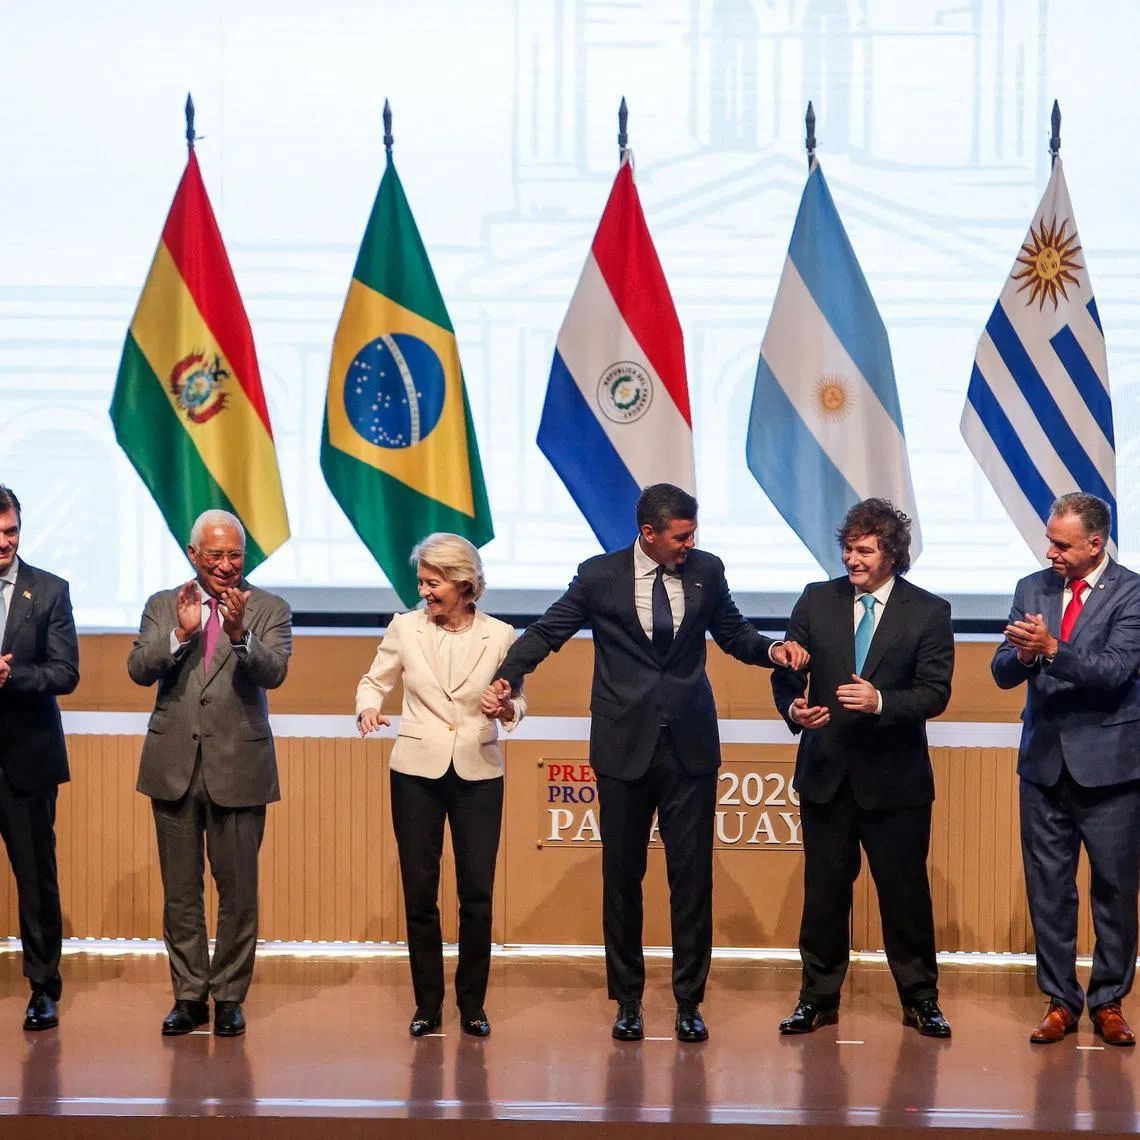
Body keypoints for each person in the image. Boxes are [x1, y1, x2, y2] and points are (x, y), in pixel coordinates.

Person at [484, 483, 808, 1043]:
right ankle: (628, 1000)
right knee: (622, 878)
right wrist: (508, 676)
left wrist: (772, 651)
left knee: (691, 879)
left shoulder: (707, 570)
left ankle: (689, 1001)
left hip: (690, 748)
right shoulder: (599, 576)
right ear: (649, 534)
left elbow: (733, 634)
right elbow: (548, 632)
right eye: (680, 536)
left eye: (693, 533)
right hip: (622, 746)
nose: (690, 543)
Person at [772, 499, 954, 1038]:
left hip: (895, 782)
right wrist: (793, 708)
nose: (853, 559)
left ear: (891, 554)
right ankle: (817, 998)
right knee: (824, 895)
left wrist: (880, 701)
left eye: (865, 550)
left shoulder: (929, 611)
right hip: (826, 775)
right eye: (848, 548)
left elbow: (935, 692)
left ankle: (920, 998)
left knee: (904, 895)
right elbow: (788, 670)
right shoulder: (816, 599)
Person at [127, 509, 291, 1038]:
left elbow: (275, 672)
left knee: (238, 893)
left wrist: (242, 635)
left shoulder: (270, 607)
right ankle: (189, 995)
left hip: (239, 767)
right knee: (181, 893)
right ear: (193, 555)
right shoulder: (163, 604)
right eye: (215, 555)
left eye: (235, 555)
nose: (226, 565)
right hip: (174, 765)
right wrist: (179, 632)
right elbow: (138, 668)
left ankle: (230, 997)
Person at [356, 533, 525, 1039]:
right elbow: (375, 679)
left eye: (433, 583)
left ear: (463, 584)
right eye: (422, 582)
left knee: (476, 894)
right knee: (420, 893)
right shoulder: (404, 627)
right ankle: (427, 1004)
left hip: (478, 772)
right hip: (415, 773)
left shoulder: (501, 635)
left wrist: (507, 709)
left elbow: (518, 702)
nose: (424, 591)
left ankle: (472, 1003)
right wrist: (368, 706)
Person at [992, 492, 1140, 1047]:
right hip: (1044, 767)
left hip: (1111, 770)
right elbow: (1004, 671)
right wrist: (1025, 655)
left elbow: (1115, 671)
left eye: (1061, 543)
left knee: (1115, 890)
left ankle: (1109, 1001)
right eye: (1049, 539)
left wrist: (1052, 648)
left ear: (1095, 544)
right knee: (1049, 890)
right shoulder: (1033, 588)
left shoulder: (1132, 592)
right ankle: (1060, 1001)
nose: (1048, 551)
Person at [0, 485, 78, 1031]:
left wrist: (13, 677)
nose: (5, 542)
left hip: (24, 759)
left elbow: (65, 673)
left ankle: (43, 986)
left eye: (11, 531)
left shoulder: (47, 591)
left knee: (35, 876)